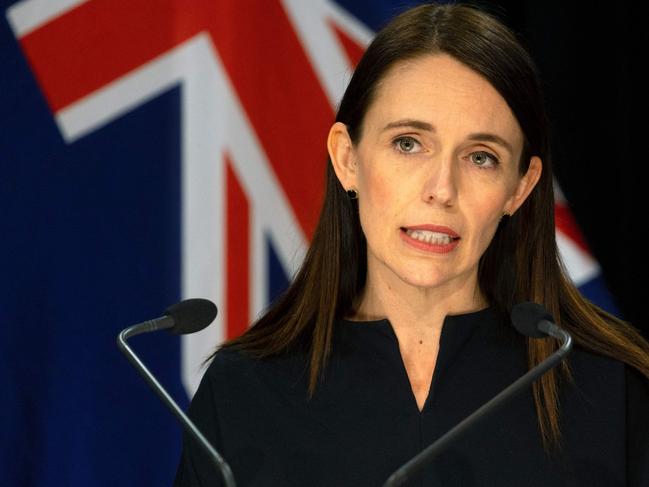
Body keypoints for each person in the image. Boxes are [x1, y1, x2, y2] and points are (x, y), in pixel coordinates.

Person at [174, 3, 649, 486]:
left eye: (481, 157)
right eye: (408, 143)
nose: (442, 188)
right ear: (347, 158)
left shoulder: (609, 388)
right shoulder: (242, 392)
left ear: (519, 189)